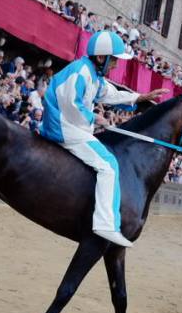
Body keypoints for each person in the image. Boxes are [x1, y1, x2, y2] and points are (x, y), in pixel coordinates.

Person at [40, 30, 167, 247]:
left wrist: (139, 97)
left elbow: (111, 94)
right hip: (62, 127)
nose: (116, 65)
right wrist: (95, 117)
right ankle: (105, 224)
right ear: (101, 57)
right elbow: (71, 104)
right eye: (114, 60)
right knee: (109, 164)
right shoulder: (81, 72)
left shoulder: (93, 75)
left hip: (69, 125)